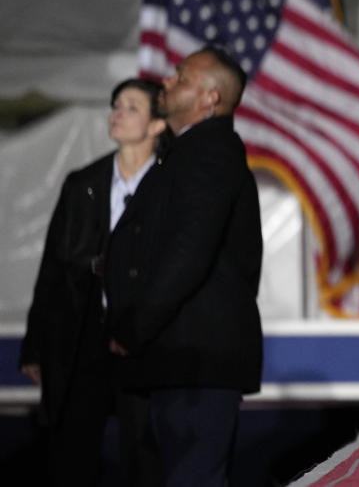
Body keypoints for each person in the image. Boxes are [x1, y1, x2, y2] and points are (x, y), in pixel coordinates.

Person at [105, 47, 263, 486]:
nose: (168, 81)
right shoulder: (183, 155)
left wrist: (133, 327)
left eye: (181, 76)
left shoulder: (209, 154)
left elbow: (187, 253)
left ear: (209, 98)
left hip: (195, 362)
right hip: (175, 358)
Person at [19, 78, 167, 486]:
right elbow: (53, 268)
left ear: (157, 124)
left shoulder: (170, 184)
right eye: (116, 104)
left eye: (132, 107)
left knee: (143, 451)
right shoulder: (82, 183)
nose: (117, 113)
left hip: (143, 340)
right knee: (74, 452)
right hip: (82, 333)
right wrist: (36, 343)